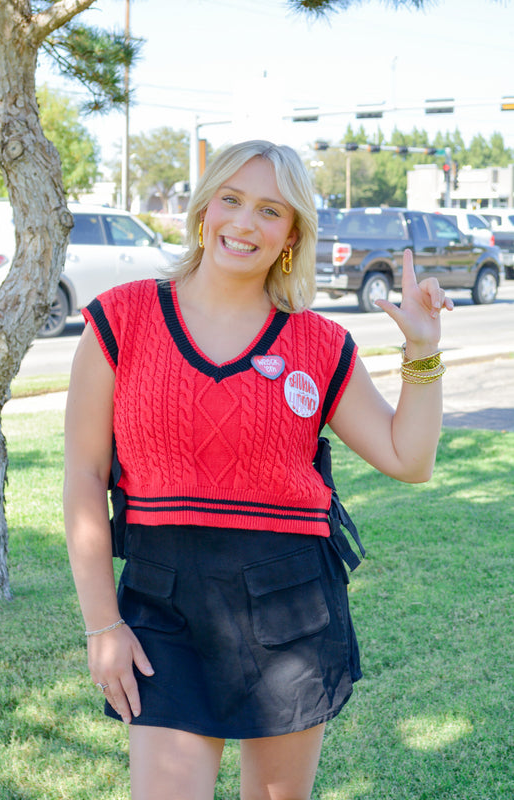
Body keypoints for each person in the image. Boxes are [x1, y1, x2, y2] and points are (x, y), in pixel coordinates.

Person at [64, 139, 454, 800]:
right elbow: (82, 476)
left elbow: (408, 459)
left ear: (292, 235)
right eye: (232, 199)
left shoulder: (319, 342)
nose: (244, 223)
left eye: (270, 210)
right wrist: (103, 626)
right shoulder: (121, 320)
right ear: (204, 208)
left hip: (291, 608)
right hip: (163, 606)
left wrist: (422, 349)